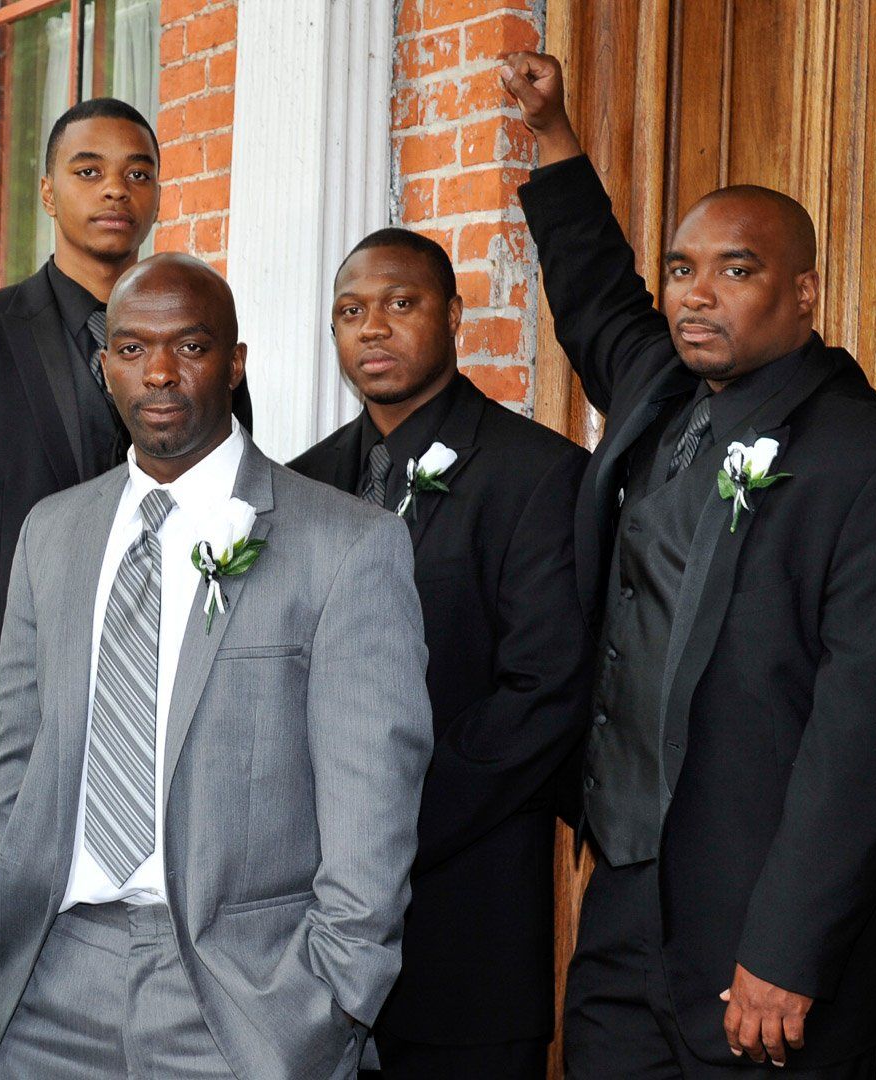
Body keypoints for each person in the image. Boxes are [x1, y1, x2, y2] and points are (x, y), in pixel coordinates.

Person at [500, 51, 876, 1078]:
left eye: (735, 270)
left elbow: (875, 733)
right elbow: (592, 292)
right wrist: (557, 136)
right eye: (681, 270)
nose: (696, 295)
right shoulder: (659, 392)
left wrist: (787, 949)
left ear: (803, 293)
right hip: (624, 905)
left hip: (774, 943)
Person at [0, 253, 432, 1079]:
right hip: (48, 990)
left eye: (191, 346)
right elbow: (18, 756)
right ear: (104, 364)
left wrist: (335, 998)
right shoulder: (53, 532)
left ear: (234, 362)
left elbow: (374, 810)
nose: (162, 374)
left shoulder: (347, 545)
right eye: (134, 349)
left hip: (244, 1003)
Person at [0, 98, 254, 932]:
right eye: (88, 171)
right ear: (47, 192)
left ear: (158, 195)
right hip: (9, 755)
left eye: (137, 173)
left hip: (175, 756)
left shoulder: (201, 347)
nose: (114, 190)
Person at [290, 227, 590, 1079]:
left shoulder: (537, 474)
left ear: (454, 315)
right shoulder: (300, 485)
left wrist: (379, 824)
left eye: (400, 304)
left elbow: (544, 692)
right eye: (350, 311)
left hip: (466, 916)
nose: (372, 328)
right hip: (307, 942)